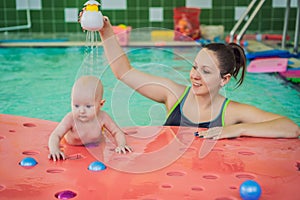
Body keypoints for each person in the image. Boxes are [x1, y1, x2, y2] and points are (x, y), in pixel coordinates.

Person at [96, 16, 299, 140]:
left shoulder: (231, 113)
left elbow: (290, 128)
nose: (195, 76)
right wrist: (106, 32)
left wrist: (237, 129)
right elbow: (124, 72)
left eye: (206, 71)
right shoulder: (173, 95)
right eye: (195, 67)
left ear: (224, 79)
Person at [48, 75, 132, 161]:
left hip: (96, 148)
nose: (81, 111)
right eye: (76, 105)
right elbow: (56, 135)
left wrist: (121, 145)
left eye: (88, 106)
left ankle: (104, 132)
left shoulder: (102, 117)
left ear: (101, 104)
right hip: (73, 147)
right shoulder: (71, 119)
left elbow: (117, 132)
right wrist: (54, 150)